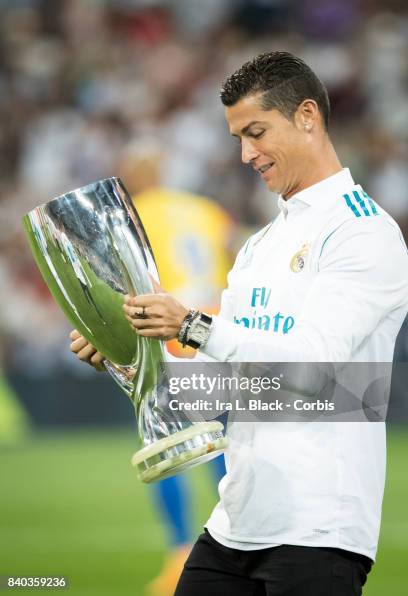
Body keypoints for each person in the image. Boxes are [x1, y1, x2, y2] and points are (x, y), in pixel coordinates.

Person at [70, 52, 408, 595]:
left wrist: (194, 325)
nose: (247, 154)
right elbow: (214, 395)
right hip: (236, 525)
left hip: (320, 530)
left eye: (256, 132)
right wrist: (125, 357)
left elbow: (313, 373)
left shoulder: (364, 234)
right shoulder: (259, 245)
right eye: (238, 139)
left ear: (306, 116)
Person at [116, 141, 230, 595]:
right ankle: (240, 538)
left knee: (167, 445)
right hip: (214, 329)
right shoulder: (204, 209)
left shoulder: (136, 214)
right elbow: (235, 253)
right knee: (220, 442)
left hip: (169, 332)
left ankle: (182, 553)